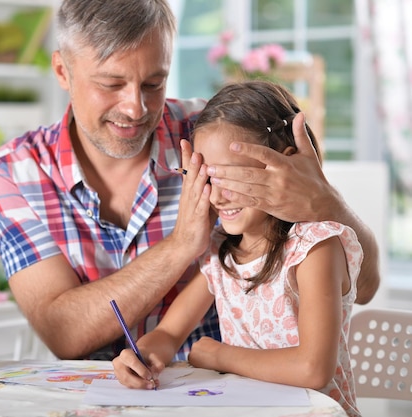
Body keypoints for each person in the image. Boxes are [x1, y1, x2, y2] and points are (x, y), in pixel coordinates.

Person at [0, 0, 379, 361]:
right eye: (111, 84)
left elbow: (365, 286)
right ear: (61, 71)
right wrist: (182, 245)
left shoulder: (217, 137)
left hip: (221, 393)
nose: (135, 107)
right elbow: (64, 334)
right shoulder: (17, 171)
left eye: (154, 83)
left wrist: (324, 202)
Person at [112, 80, 362, 417]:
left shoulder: (315, 249)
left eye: (231, 177)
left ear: (284, 165)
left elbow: (313, 369)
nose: (217, 196)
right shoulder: (220, 255)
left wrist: (218, 356)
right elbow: (169, 333)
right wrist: (143, 356)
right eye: (208, 179)